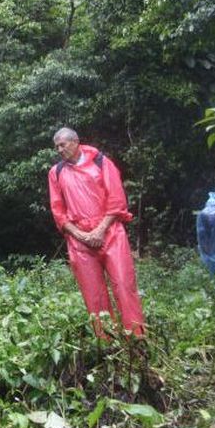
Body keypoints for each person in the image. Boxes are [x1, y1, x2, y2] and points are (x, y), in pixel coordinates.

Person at [48, 127, 145, 337]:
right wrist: (80, 235)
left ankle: (137, 340)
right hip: (78, 239)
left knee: (123, 286)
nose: (59, 150)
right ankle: (106, 344)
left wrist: (100, 230)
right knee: (94, 296)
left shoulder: (101, 162)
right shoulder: (56, 173)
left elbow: (117, 200)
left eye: (62, 144)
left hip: (110, 232)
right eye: (56, 146)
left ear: (75, 142)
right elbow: (58, 211)